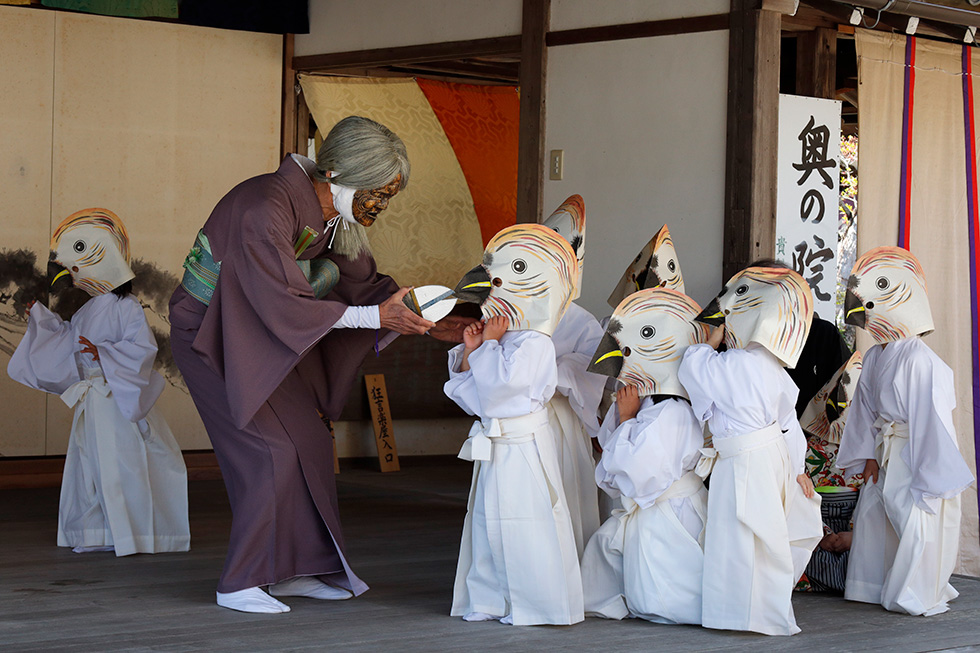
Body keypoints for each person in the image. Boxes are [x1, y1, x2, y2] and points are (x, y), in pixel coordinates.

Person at [168, 116, 467, 614]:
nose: (381, 205)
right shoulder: (264, 207)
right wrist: (377, 314)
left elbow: (365, 287)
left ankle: (295, 570)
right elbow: (277, 301)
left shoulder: (333, 220)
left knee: (307, 439)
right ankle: (241, 579)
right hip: (212, 335)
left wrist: (432, 320)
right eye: (378, 192)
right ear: (337, 173)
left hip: (254, 333)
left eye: (389, 196)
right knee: (269, 452)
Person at [9, 208, 190, 556]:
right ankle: (98, 532)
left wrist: (102, 351)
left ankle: (131, 534)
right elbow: (68, 339)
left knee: (120, 465)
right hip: (93, 401)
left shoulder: (127, 307)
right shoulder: (88, 310)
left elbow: (142, 348)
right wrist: (40, 316)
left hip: (114, 397)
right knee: (91, 464)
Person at [445, 223, 584, 626]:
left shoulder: (537, 342)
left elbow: (504, 391)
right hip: (495, 446)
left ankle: (534, 604)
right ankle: (489, 599)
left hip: (522, 446)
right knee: (488, 522)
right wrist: (472, 351)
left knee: (526, 524)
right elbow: (475, 397)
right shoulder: (504, 340)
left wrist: (487, 345)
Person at [678, 265, 823, 636]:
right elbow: (787, 422)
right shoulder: (771, 365)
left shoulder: (734, 363)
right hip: (770, 454)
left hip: (743, 459)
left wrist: (707, 343)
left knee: (740, 533)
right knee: (762, 533)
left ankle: (739, 611)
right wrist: (797, 469)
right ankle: (759, 609)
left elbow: (693, 369)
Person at [838, 246, 974, 616]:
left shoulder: (918, 359)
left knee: (915, 518)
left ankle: (914, 591)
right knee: (874, 515)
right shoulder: (877, 355)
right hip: (886, 447)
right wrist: (868, 456)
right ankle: (874, 586)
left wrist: (931, 475)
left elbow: (932, 420)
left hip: (915, 450)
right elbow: (864, 408)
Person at [580, 288, 709, 625]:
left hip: (668, 506)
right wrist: (626, 416)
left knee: (667, 591)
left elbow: (641, 470)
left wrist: (626, 419)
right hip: (656, 505)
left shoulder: (673, 409)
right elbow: (612, 449)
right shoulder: (651, 403)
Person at [542, 194, 604, 557]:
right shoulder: (507, 310)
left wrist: (547, 372)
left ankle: (567, 567)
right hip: (520, 416)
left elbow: (590, 369)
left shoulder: (582, 321)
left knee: (563, 495)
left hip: (562, 418)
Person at [797, 352, 864, 593]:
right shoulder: (806, 445)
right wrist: (821, 533)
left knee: (863, 564)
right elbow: (798, 495)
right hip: (816, 526)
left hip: (856, 526)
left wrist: (853, 536)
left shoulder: (874, 452)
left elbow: (873, 497)